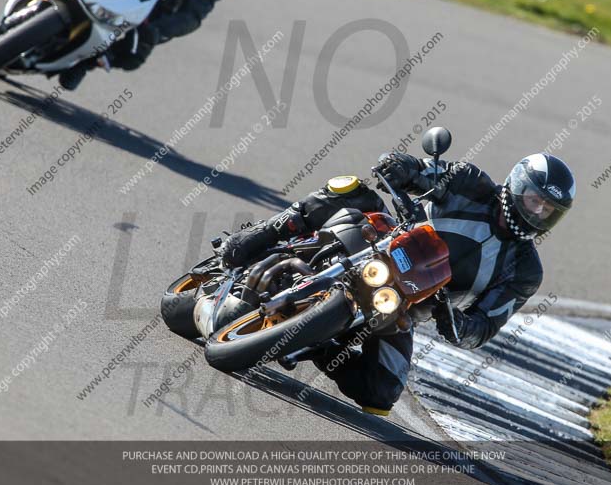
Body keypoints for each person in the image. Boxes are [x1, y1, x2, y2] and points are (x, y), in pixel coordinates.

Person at [220, 150, 576, 416]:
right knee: (353, 190)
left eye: (549, 210)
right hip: (384, 241)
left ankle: (317, 344)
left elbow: (484, 327)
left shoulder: (526, 270)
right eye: (534, 200)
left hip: (403, 306)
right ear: (516, 186)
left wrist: (456, 321)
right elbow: (427, 172)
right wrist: (402, 166)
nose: (538, 212)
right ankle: (263, 235)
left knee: (382, 394)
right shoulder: (473, 183)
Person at [59, 0, 231, 90]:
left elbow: (192, 15)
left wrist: (157, 31)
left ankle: (85, 61)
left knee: (133, 55)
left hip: (144, 9)